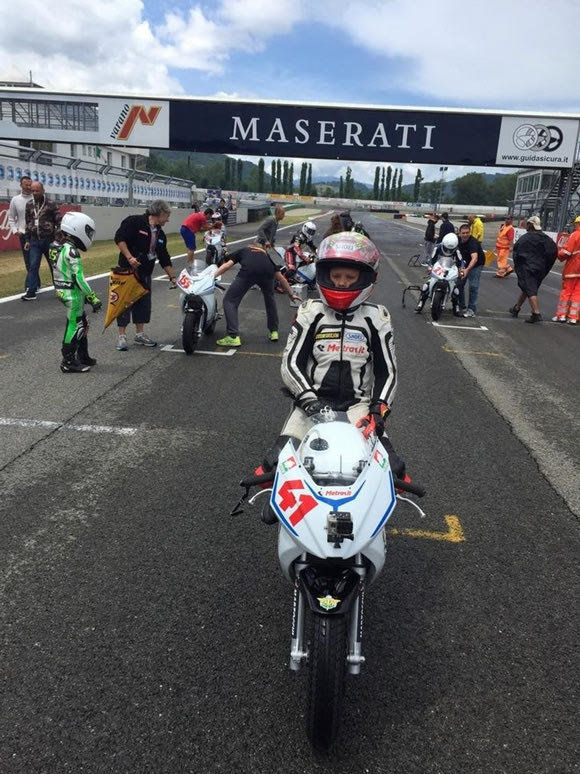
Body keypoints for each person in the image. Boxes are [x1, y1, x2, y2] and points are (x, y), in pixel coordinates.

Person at [260, 232, 404, 488]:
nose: (342, 283)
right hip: (311, 405)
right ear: (325, 274)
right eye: (336, 276)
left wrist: (378, 409)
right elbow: (291, 363)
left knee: (394, 471)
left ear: (367, 277)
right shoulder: (310, 312)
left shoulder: (377, 318)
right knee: (273, 466)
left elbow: (387, 371)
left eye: (350, 277)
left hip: (359, 408)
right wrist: (309, 401)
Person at [114, 200, 177, 350]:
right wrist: (129, 257)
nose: (168, 220)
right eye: (167, 216)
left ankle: (140, 334)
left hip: (145, 272)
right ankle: (122, 336)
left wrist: (172, 277)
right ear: (159, 213)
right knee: (124, 303)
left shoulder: (160, 234)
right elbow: (119, 238)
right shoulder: (134, 222)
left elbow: (164, 257)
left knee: (143, 304)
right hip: (127, 271)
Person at [213, 242, 301, 347]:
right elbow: (281, 278)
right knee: (270, 299)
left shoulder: (245, 250)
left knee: (230, 301)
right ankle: (274, 332)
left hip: (248, 272)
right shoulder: (266, 255)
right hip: (267, 273)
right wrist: (291, 294)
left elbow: (227, 265)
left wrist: (211, 276)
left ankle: (233, 336)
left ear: (250, 246)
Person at [47, 212, 102, 373]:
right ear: (78, 229)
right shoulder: (71, 251)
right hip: (72, 293)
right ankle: (68, 361)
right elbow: (79, 278)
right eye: (88, 231)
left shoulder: (57, 246)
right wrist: (92, 297)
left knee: (82, 323)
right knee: (75, 325)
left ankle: (83, 355)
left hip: (62, 289)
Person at [509, 216, 558, 324]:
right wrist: (545, 265)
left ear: (530, 225)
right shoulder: (546, 238)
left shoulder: (526, 238)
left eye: (527, 224)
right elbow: (553, 252)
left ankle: (536, 313)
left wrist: (520, 266)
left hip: (528, 267)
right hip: (540, 268)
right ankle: (516, 308)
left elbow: (517, 252)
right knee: (528, 287)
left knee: (530, 289)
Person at [22, 181, 61, 300]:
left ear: (43, 191)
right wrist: (27, 240)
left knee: (54, 266)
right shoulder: (29, 204)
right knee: (33, 266)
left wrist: (58, 238)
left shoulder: (51, 204)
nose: (34, 193)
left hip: (49, 240)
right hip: (34, 241)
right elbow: (28, 223)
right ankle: (31, 291)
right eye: (33, 191)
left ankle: (60, 289)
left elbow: (59, 221)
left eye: (37, 190)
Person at [414, 233, 464, 316]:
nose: (448, 250)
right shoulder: (438, 247)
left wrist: (461, 269)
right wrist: (430, 266)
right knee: (426, 286)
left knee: (456, 290)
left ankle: (456, 307)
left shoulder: (457, 250)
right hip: (439, 268)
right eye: (447, 248)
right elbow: (431, 259)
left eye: (451, 249)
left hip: (450, 269)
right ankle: (420, 304)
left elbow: (461, 261)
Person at [552, 215, 580, 324]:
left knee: (566, 292)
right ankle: (573, 317)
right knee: (577, 294)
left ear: (577, 224)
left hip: (573, 268)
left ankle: (561, 315)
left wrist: (558, 255)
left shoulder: (575, 234)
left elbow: (567, 251)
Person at [456, 223, 486, 317]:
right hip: (464, 263)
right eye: (463, 233)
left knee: (473, 286)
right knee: (459, 284)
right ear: (459, 233)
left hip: (476, 265)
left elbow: (474, 258)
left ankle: (471, 309)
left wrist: (467, 270)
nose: (465, 235)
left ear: (470, 232)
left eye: (467, 233)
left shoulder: (473, 242)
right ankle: (461, 306)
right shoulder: (457, 240)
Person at [8, 175, 33, 283]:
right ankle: (34, 284)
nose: (28, 187)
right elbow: (11, 218)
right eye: (26, 185)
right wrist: (15, 231)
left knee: (38, 260)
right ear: (21, 185)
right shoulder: (15, 200)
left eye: (30, 185)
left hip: (38, 234)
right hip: (23, 234)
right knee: (29, 261)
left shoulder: (36, 197)